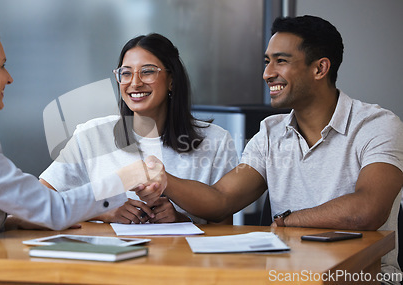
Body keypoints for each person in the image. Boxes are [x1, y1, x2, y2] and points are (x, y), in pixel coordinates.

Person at [0, 18, 166, 285]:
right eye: (2, 66)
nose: (9, 77)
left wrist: (10, 221)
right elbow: (54, 209)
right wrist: (127, 177)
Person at [162, 15, 403, 281]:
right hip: (286, 275)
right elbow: (221, 199)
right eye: (267, 62)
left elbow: (367, 210)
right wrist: (161, 179)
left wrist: (288, 220)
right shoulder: (270, 131)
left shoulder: (378, 125)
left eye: (281, 61)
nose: (267, 73)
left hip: (362, 276)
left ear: (320, 68)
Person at [40, 33, 237, 224]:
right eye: (126, 73)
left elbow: (223, 224)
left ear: (172, 80)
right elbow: (42, 200)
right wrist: (101, 211)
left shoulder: (216, 141)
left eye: (148, 71)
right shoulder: (91, 135)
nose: (135, 83)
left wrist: (180, 219)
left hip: (181, 256)